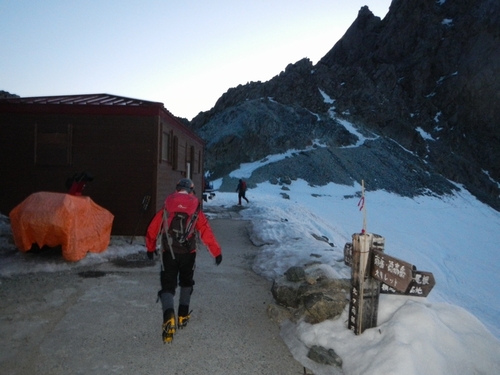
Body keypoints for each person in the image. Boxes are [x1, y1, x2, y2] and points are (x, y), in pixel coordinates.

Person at [145, 178, 222, 343]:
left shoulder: (167, 207)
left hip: (169, 253)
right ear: (191, 191)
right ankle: (182, 316)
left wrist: (150, 248)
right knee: (186, 283)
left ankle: (168, 316)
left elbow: (152, 230)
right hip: (189, 253)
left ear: (177, 189)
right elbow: (205, 232)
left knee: (168, 286)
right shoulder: (195, 209)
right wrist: (216, 252)